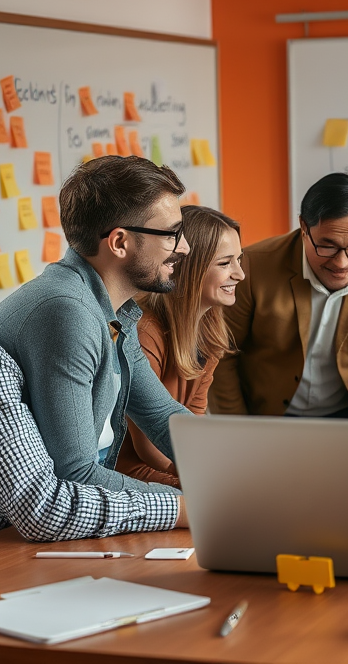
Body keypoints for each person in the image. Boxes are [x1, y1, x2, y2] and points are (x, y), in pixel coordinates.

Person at [0, 155, 193, 494]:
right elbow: (74, 474)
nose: (185, 247)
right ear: (120, 242)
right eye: (171, 234)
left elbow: (162, 417)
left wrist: (243, 474)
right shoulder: (67, 312)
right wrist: (191, 503)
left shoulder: (111, 310)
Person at [0, 322, 185, 563]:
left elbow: (163, 415)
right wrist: (183, 507)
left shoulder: (110, 322)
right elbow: (44, 505)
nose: (182, 252)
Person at [209, 172, 348, 420]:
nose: (341, 263)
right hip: (263, 416)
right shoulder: (252, 267)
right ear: (304, 229)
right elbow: (221, 356)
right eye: (327, 246)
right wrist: (238, 431)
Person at [116, 206, 244, 487]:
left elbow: (194, 423)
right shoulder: (144, 334)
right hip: (130, 471)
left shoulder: (210, 331)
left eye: (239, 260)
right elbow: (148, 447)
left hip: (173, 463)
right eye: (225, 264)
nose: (240, 274)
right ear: (188, 268)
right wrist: (201, 476)